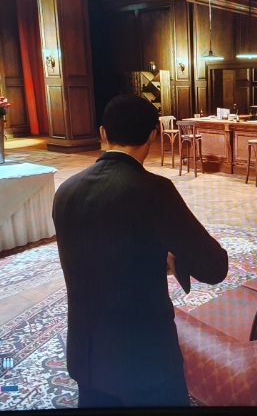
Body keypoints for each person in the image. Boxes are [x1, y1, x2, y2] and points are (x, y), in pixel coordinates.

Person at [53, 94, 229, 408]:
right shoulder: (153, 191)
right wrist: (173, 259)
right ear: (152, 136)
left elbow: (102, 253)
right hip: (144, 361)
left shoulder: (66, 191)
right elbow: (214, 267)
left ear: (103, 133)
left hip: (87, 356)